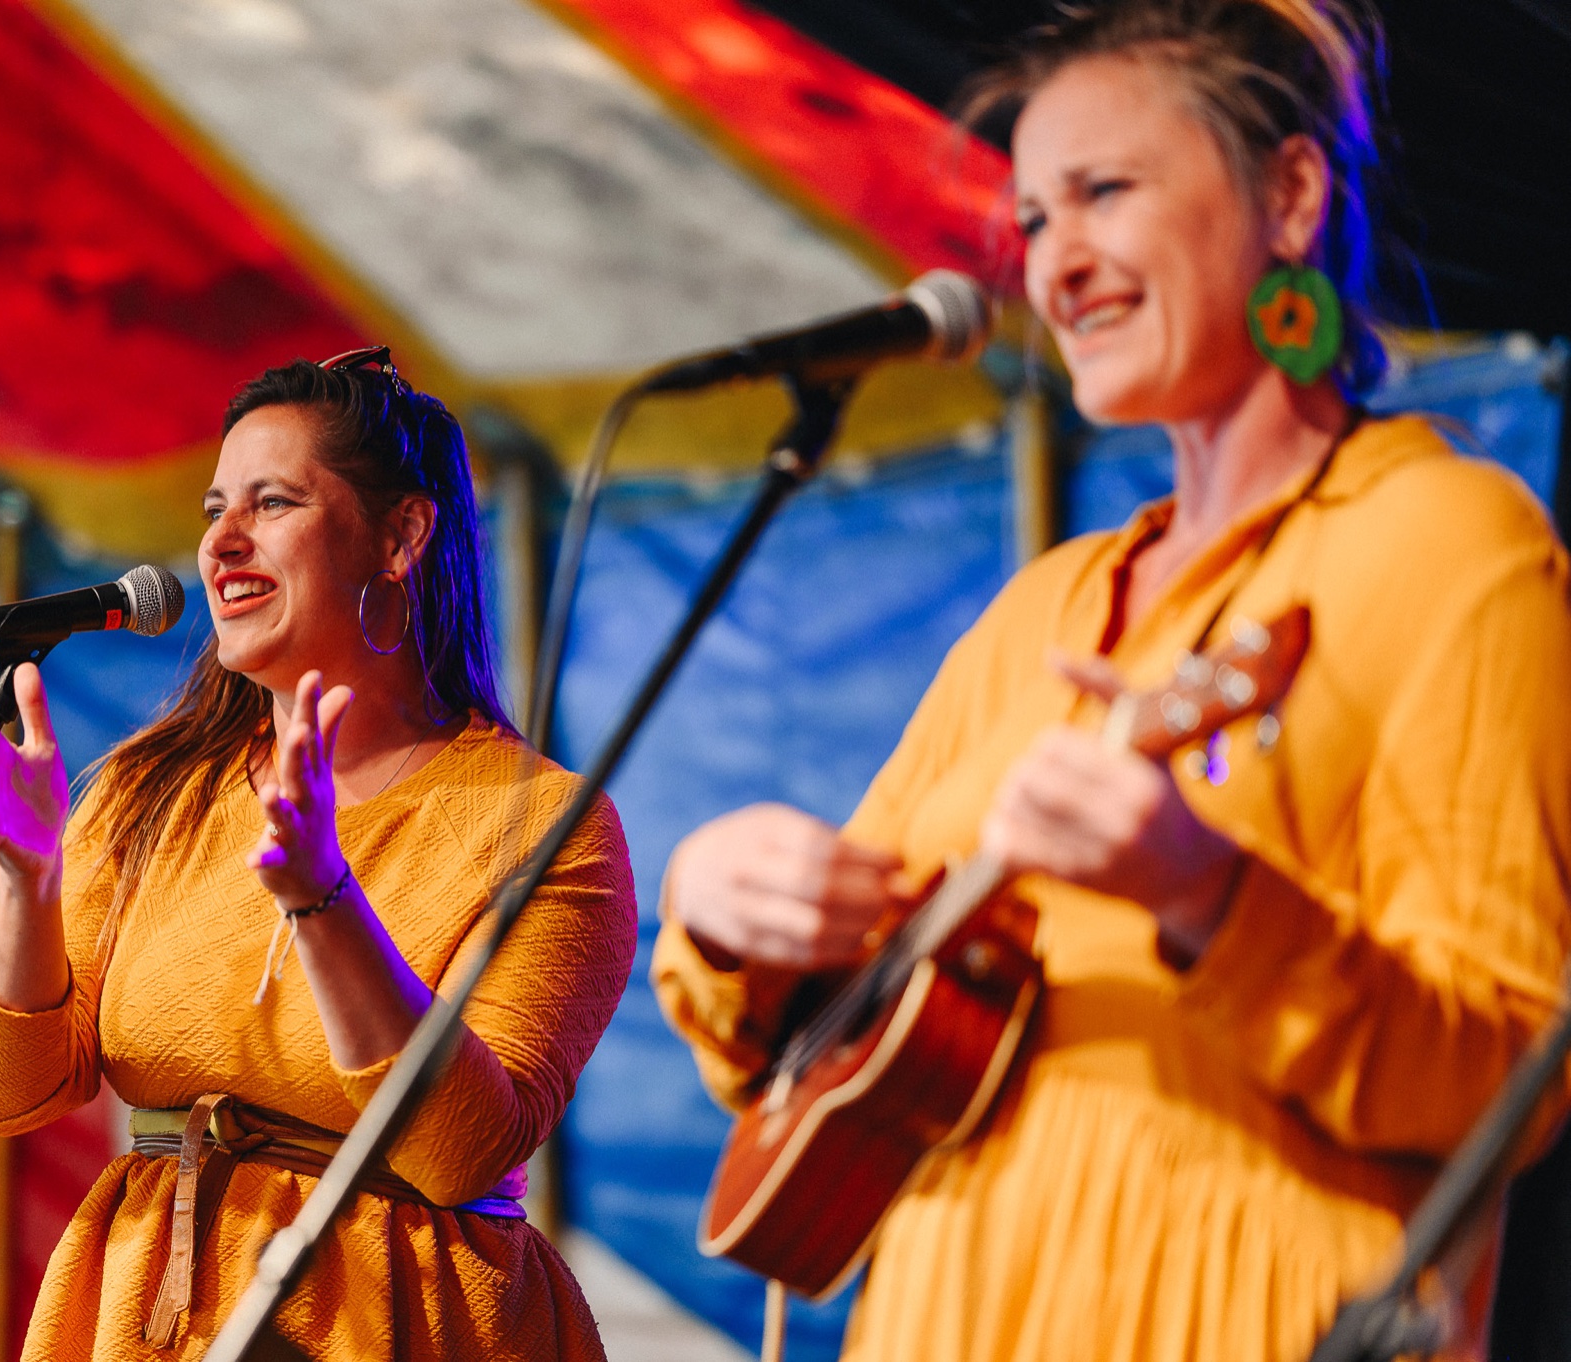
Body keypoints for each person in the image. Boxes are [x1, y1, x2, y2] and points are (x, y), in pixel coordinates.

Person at [653, 2, 1571, 1359]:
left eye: (1104, 193)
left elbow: (1507, 1072)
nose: (1056, 263)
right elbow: (823, 1026)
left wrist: (1210, 896)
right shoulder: (1041, 607)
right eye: (1033, 217)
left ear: (1291, 195)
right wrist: (728, 917)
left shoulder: (1449, 541)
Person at [0, 348, 637, 1360]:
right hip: (144, 1311)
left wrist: (324, 900)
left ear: (401, 536)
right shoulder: (152, 785)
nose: (221, 542)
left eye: (273, 503)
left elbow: (459, 1148)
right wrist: (25, 883)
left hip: (404, 1320)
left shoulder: (545, 823)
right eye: (215, 510)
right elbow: (10, 1092)